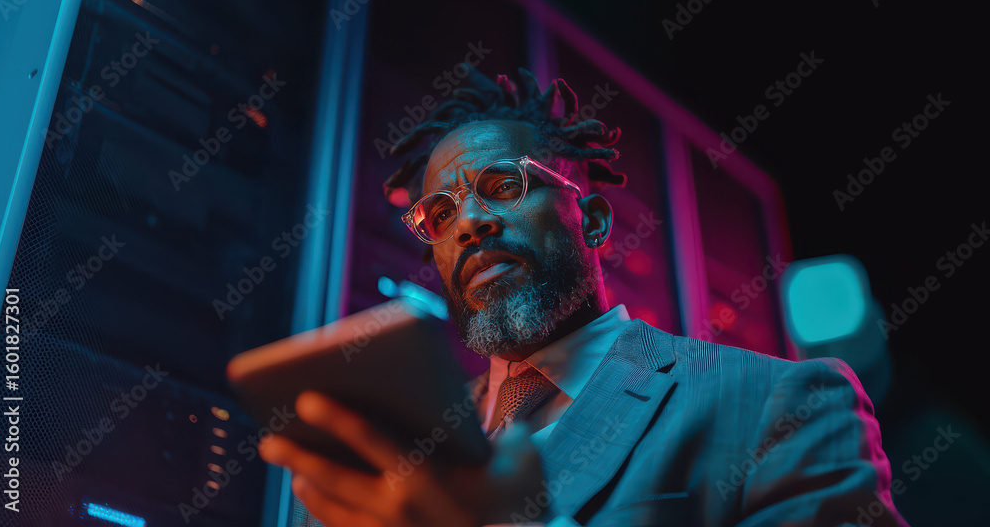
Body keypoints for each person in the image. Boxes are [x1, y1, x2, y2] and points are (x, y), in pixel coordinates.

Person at [258, 67, 910, 526]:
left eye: (504, 185)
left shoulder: (780, 405)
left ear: (593, 221)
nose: (471, 222)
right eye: (440, 214)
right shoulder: (401, 450)